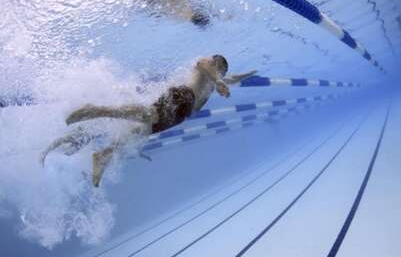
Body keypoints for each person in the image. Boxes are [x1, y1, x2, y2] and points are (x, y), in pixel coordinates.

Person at [41, 55, 256, 188]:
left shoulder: (215, 81)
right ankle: (96, 110)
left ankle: (103, 155)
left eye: (222, 72)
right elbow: (204, 65)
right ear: (216, 63)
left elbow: (234, 78)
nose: (221, 73)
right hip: (182, 96)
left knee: (138, 133)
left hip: (179, 115)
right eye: (220, 69)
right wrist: (218, 80)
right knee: (147, 115)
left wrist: (249, 74)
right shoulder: (208, 66)